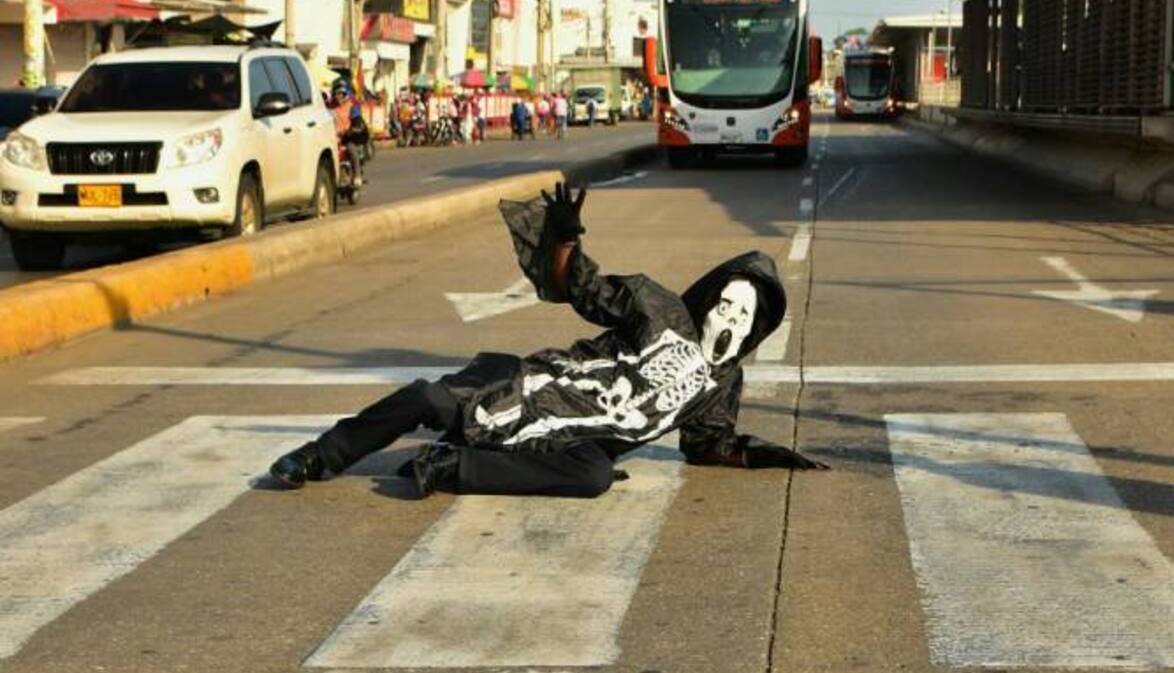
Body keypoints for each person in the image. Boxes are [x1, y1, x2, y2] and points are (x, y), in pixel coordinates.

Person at [268, 183, 829, 497]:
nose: (731, 320)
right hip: (533, 387)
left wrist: (762, 455)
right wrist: (564, 239)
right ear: (708, 302)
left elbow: (707, 446)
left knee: (593, 477)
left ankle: (447, 468)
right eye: (726, 304)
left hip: (580, 441)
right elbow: (577, 289)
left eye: (745, 315)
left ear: (757, 328)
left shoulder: (723, 382)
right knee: (428, 399)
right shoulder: (660, 308)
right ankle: (321, 455)